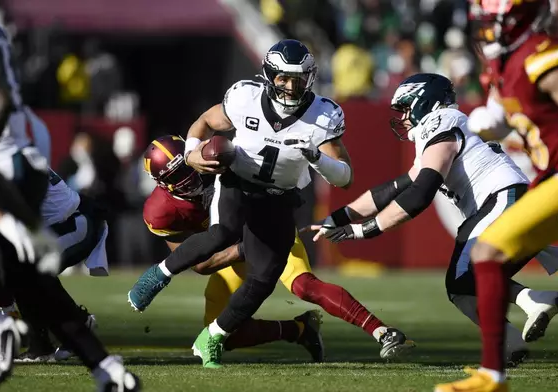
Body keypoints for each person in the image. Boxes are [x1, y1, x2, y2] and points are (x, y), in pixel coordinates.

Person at [130, 39, 380, 368]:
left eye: (298, 80)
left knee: (265, 281)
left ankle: (220, 337)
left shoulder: (322, 115)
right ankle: (156, 279)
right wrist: (192, 153)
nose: (290, 88)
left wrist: (316, 157)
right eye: (283, 78)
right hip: (237, 200)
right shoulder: (244, 98)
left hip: (275, 201)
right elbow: (201, 263)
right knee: (221, 232)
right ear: (268, 75)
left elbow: (345, 178)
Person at [306, 73, 558, 370]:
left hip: (503, 200)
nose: (403, 118)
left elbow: (420, 196)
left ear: (425, 102)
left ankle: (531, 306)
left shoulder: (440, 121)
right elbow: (392, 189)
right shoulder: (442, 130)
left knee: (463, 276)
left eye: (406, 108)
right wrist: (337, 217)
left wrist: (361, 230)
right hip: (508, 202)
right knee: (460, 289)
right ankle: (513, 338)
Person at [0, 12, 140, 391]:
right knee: (14, 265)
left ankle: (17, 328)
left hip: (61, 212)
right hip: (13, 176)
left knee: (23, 271)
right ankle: (48, 343)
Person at [432, 1, 558, 391]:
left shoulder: (539, 53)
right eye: (483, 24)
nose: (487, 32)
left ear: (519, 20)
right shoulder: (503, 63)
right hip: (556, 175)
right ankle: (493, 374)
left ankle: (494, 373)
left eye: (494, 23)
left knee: (486, 252)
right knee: (488, 253)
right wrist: (489, 122)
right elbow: (505, 111)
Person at [131, 135, 413, 361]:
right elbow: (200, 264)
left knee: (304, 286)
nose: (193, 177)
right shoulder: (160, 212)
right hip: (229, 252)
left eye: (190, 167)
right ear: (163, 185)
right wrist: (245, 249)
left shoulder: (218, 157)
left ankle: (381, 330)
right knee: (227, 335)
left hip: (268, 226)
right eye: (180, 176)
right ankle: (300, 330)